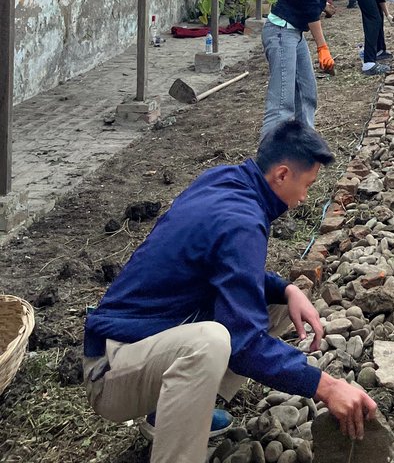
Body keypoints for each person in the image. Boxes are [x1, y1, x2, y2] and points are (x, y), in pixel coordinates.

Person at [83, 121, 377, 462]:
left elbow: (229, 269)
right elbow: (244, 344)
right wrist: (325, 386)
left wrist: (286, 289)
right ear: (282, 175)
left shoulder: (227, 180)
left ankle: (174, 413)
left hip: (150, 338)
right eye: (307, 185)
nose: (304, 198)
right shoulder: (242, 221)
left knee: (279, 303)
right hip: (111, 368)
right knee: (211, 343)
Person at [261, 0, 346, 141]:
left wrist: (323, 5)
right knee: (281, 104)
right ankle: (266, 162)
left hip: (293, 33)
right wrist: (322, 47)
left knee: (306, 93)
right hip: (281, 33)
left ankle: (304, 145)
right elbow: (309, 11)